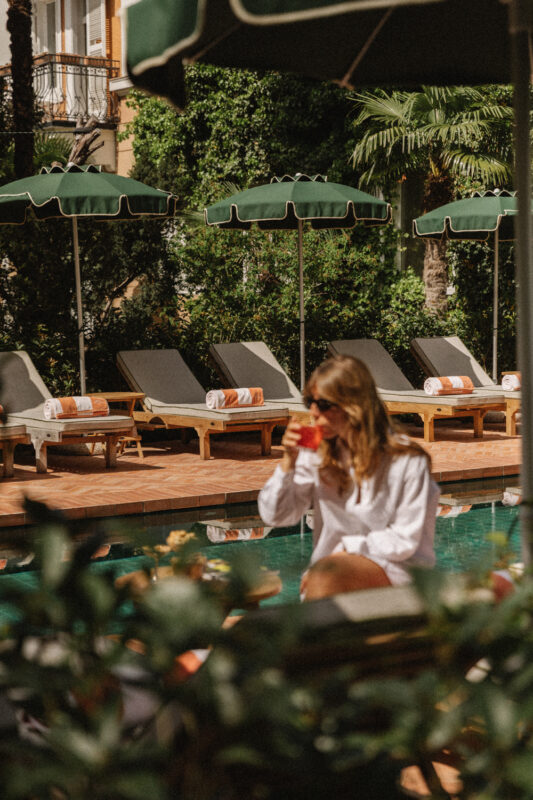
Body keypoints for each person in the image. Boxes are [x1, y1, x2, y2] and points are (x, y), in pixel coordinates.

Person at [258, 354, 440, 600]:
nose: (313, 412)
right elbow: (277, 516)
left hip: (398, 571)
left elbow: (403, 540)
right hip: (331, 572)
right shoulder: (318, 451)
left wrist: (346, 551)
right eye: (310, 401)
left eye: (323, 404)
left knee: (327, 578)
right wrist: (287, 463)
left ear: (353, 406)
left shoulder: (406, 460)